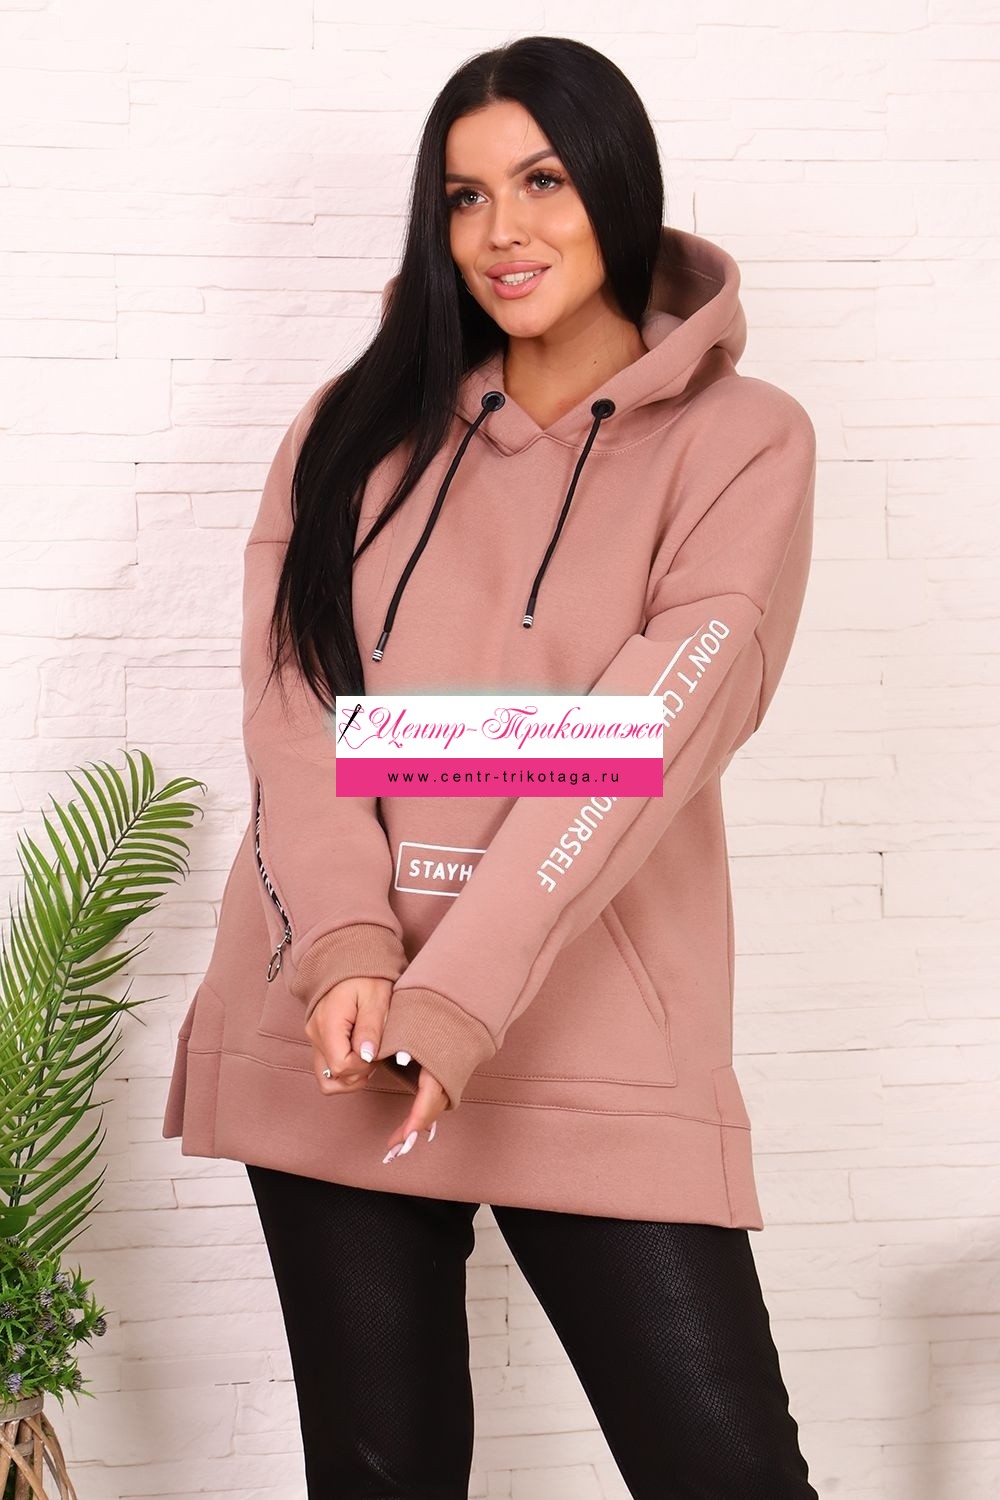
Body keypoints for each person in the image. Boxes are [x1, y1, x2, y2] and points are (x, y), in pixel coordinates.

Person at [163, 34, 821, 1499]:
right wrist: (348, 945)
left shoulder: (742, 442)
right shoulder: (351, 430)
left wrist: (453, 977)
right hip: (333, 1021)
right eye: (464, 197)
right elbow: (294, 713)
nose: (501, 231)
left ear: (619, 185)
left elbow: (648, 734)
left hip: (595, 1034)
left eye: (541, 181)